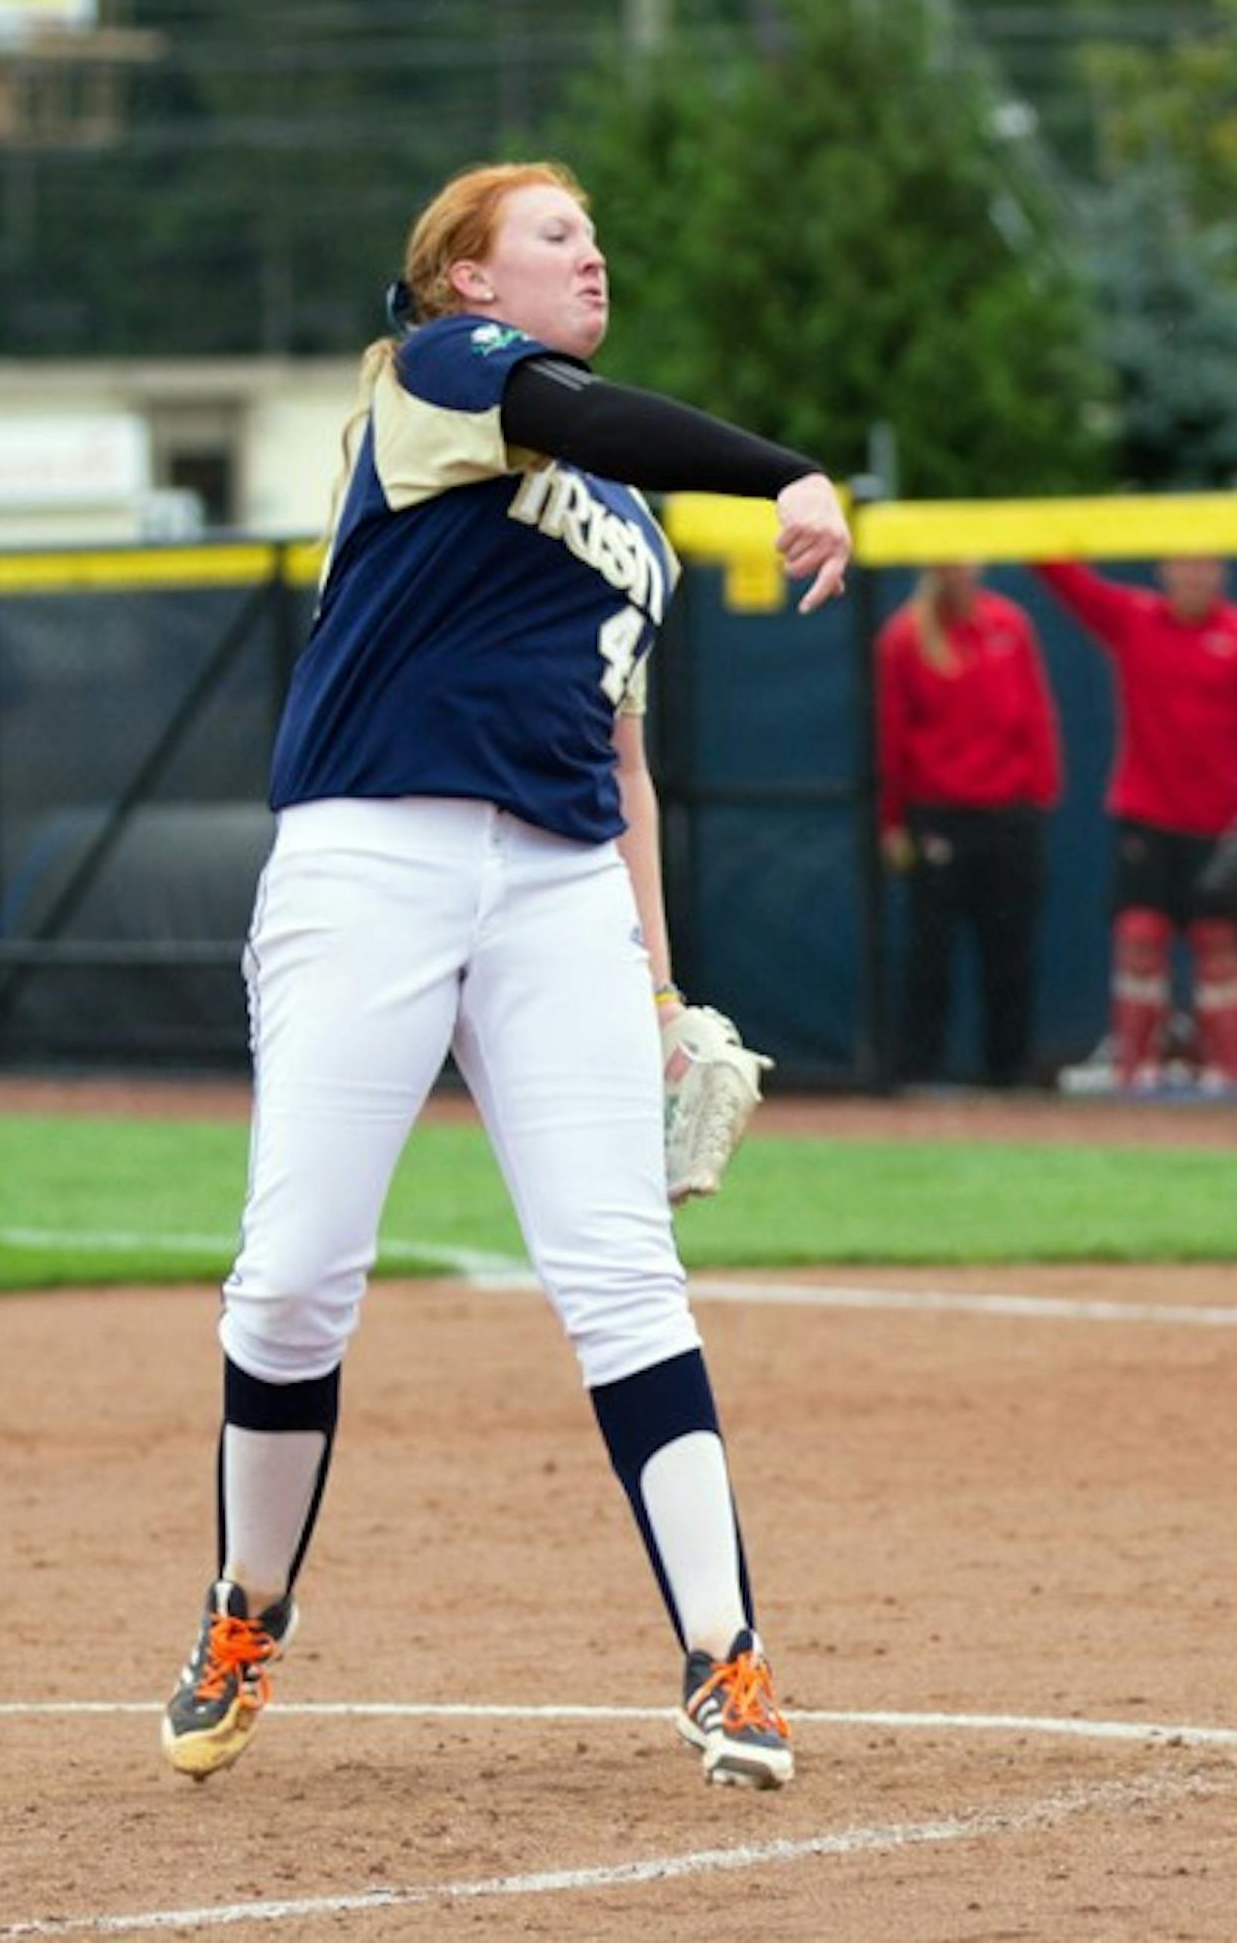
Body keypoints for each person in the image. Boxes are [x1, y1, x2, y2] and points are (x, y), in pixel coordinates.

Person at [162, 160, 851, 1794]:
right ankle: (248, 1602)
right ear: (471, 278)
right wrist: (793, 474)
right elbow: (599, 418)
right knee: (293, 1276)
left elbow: (621, 768)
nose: (588, 251)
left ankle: (726, 1654)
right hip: (369, 859)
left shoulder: (628, 524)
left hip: (555, 894)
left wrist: (666, 992)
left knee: (621, 1277)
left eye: (596, 233)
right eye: (553, 234)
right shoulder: (442, 376)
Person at [1034, 556, 1237, 1091]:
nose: (1195, 578)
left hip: (1218, 821)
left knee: (1217, 940)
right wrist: (1038, 524)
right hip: (1145, 812)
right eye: (1185, 567)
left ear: (1223, 574)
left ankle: (1232, 1068)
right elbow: (1068, 583)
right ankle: (1134, 1066)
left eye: (1206, 568)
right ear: (1165, 573)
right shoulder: (1135, 618)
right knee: (1139, 935)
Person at [876, 565, 1062, 1088]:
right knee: (930, 951)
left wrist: (1040, 796)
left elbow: (1035, 716)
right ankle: (918, 1071)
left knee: (1009, 948)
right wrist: (893, 822)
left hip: (1009, 813)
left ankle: (1007, 1073)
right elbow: (892, 734)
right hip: (937, 815)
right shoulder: (905, 635)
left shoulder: (1010, 625)